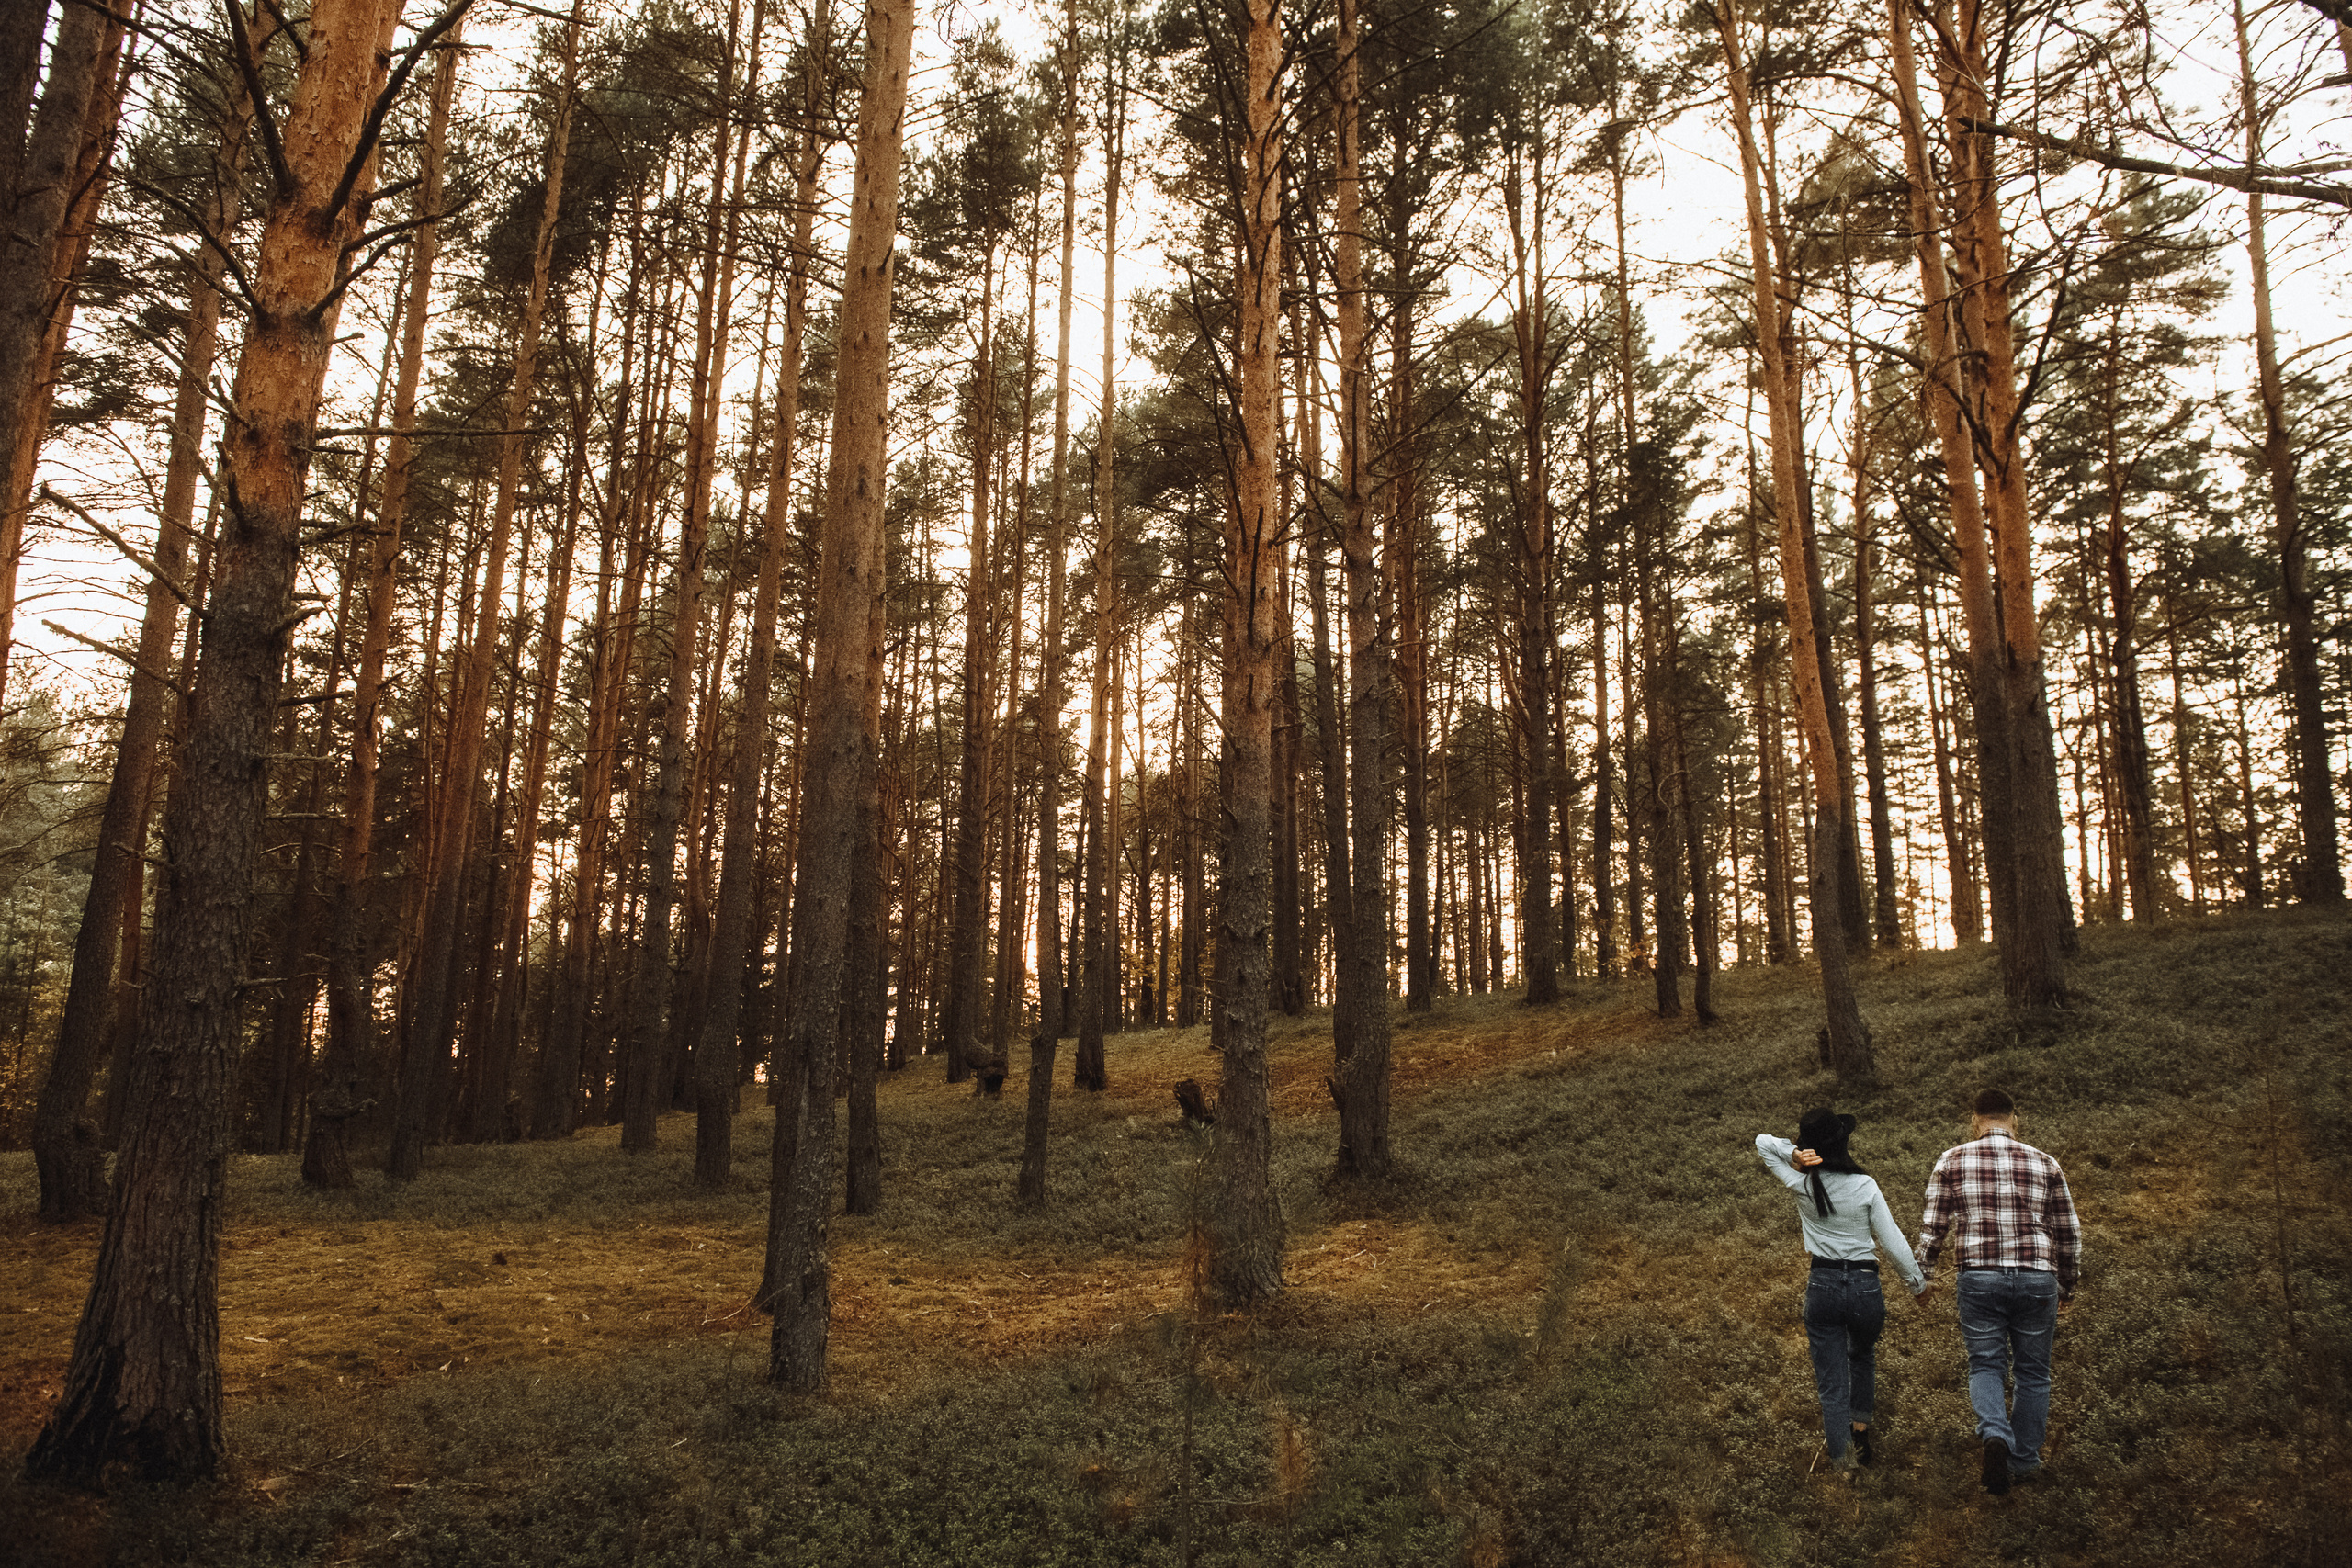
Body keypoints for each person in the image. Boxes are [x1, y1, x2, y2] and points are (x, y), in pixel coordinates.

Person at [1916, 1089, 2082, 1496]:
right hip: (2036, 1277)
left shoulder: (1951, 1160)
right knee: (2033, 1373)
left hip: (1980, 1278)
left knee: (1986, 1364)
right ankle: (2024, 1461)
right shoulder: (2045, 1162)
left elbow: (1933, 1225)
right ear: (2014, 1118)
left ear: (1975, 1120)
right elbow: (2068, 1231)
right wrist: (2067, 1284)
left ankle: (1994, 1434)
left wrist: (1923, 1274)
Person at [1755, 1108, 1926, 1473]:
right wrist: (1917, 1285)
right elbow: (1892, 1242)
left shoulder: (1800, 1183)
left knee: (1831, 1384)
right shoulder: (1865, 1186)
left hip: (1823, 1286)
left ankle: (1844, 1465)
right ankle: (1860, 1432)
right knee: (1862, 1356)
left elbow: (1762, 1143)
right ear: (1844, 1143)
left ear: (1810, 1147)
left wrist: (1793, 1155)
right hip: (1865, 1287)